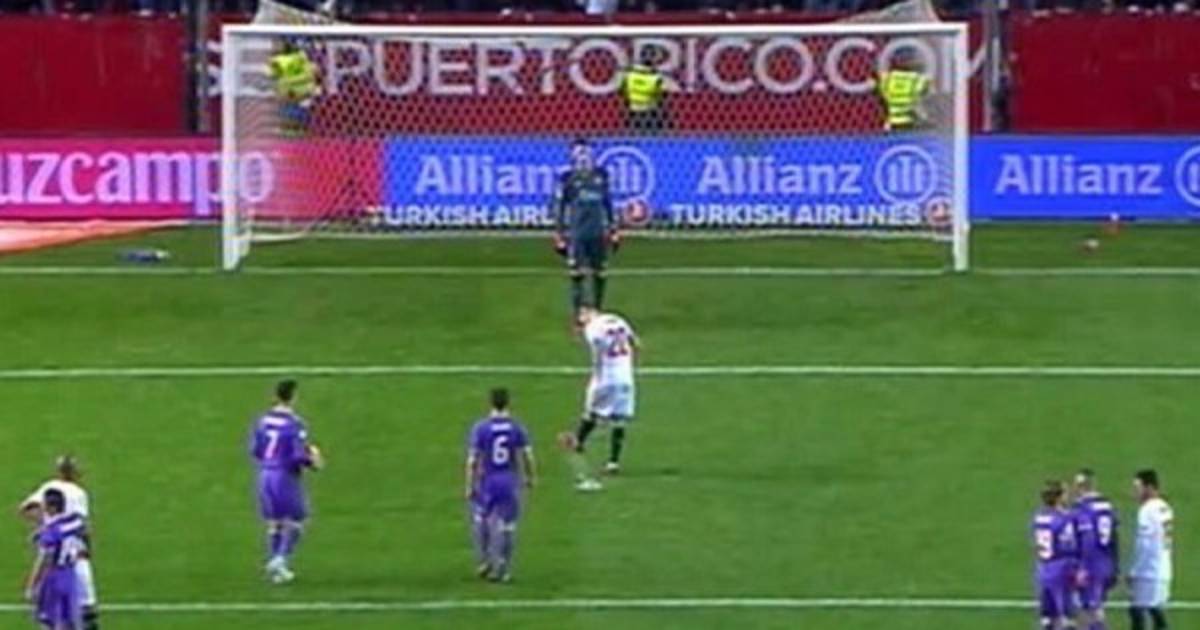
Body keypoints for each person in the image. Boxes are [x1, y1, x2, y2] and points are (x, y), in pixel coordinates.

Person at [249, 379, 324, 584]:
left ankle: (278, 571)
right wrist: (313, 460)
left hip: (265, 474)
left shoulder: (263, 421)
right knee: (298, 519)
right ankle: (280, 559)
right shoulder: (295, 424)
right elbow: (297, 456)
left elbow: (256, 450)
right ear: (294, 397)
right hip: (284, 476)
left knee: (275, 522)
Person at [19, 456, 98, 630]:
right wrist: (88, 549)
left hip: (53, 575)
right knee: (83, 613)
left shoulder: (50, 488)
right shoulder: (76, 507)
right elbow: (84, 527)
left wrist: (42, 526)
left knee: (50, 620)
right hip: (74, 562)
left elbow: (25, 509)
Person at [465, 388, 536, 583]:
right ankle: (503, 569)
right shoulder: (517, 428)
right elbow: (527, 456)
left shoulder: (481, 428)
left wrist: (469, 485)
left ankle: (484, 561)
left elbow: (473, 460)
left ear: (490, 403)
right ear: (508, 403)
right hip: (509, 480)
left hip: (487, 480)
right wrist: (531, 477)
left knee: (481, 519)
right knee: (508, 526)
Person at [552, 139, 620, 321]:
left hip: (598, 232)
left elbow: (607, 203)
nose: (583, 157)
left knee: (600, 273)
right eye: (579, 153)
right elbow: (560, 207)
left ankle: (597, 309)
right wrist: (559, 233)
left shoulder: (601, 176)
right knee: (577, 274)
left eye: (586, 153)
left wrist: (613, 230)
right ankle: (578, 315)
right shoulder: (567, 179)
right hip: (577, 234)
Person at [571, 306, 639, 484]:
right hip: (626, 377)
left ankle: (578, 441)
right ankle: (613, 462)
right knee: (619, 420)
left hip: (606, 377)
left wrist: (597, 376)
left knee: (591, 411)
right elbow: (636, 342)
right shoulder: (618, 319)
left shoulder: (592, 329)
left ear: (589, 313)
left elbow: (597, 355)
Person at [26, 489, 87, 630]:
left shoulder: (51, 533)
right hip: (70, 576)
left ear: (52, 508)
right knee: (69, 621)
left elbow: (44, 560)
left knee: (49, 621)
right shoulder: (75, 521)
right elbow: (82, 531)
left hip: (53, 577)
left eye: (45, 505)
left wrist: (32, 585)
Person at [1070, 469, 1118, 630]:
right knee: (1093, 608)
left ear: (1082, 486)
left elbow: (1088, 540)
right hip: (1106, 562)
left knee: (1091, 611)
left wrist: (1082, 568)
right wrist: (1115, 565)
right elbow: (1114, 537)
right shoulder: (1107, 506)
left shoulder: (1083, 508)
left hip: (1091, 564)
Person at [1031, 480, 1079, 630]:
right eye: (1065, 493)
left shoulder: (1038, 517)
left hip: (1043, 569)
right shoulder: (1064, 519)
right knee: (1067, 617)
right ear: (1058, 497)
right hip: (1061, 569)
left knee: (1047, 617)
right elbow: (1070, 545)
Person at [1129, 469, 1173, 630]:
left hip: (1148, 572)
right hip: (1163, 569)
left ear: (1149, 487)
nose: (1135, 492)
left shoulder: (1147, 510)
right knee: (1155, 611)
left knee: (1137, 611)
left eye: (1138, 487)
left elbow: (1145, 544)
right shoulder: (1165, 507)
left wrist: (1135, 570)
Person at [268, 40, 319, 137]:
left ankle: (300, 128)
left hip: (301, 87)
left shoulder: (305, 62)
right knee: (287, 101)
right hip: (290, 87)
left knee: (302, 102)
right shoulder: (283, 62)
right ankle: (289, 127)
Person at [877, 52, 931, 132]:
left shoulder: (886, 79)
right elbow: (926, 90)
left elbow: (882, 96)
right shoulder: (916, 78)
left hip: (893, 121)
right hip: (911, 119)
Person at [622, 48, 667, 134]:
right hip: (651, 111)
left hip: (633, 110)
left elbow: (623, 92)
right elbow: (661, 95)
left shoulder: (629, 75)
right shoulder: (657, 78)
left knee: (633, 133)